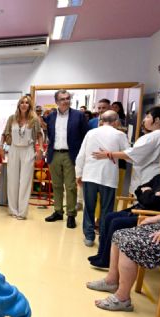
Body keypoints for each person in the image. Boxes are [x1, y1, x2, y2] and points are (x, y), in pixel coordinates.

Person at [86, 195, 160, 311]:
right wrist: (158, 218)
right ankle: (111, 281)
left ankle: (122, 298)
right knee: (119, 234)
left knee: (130, 244)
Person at [88, 155, 160, 268]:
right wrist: (151, 195)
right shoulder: (159, 178)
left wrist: (148, 193)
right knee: (109, 216)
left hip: (154, 217)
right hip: (141, 210)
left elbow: (152, 202)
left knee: (117, 222)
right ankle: (102, 255)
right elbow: (139, 189)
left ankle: (107, 261)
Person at [92, 106, 160, 193]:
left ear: (157, 120)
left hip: (150, 177)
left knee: (145, 202)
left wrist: (109, 154)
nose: (144, 120)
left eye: (148, 117)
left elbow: (133, 154)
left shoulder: (153, 137)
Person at [75, 111, 129, 247]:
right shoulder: (120, 135)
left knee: (89, 208)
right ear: (116, 121)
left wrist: (78, 174)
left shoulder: (91, 133)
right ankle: (103, 238)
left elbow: (81, 155)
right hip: (108, 177)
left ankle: (88, 236)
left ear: (100, 120)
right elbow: (128, 154)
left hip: (90, 175)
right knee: (107, 209)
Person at [45, 89, 90, 228]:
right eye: (62, 99)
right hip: (54, 154)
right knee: (56, 185)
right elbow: (50, 135)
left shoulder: (78, 116)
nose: (66, 101)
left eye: (67, 98)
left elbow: (85, 136)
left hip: (71, 154)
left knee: (70, 186)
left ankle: (71, 215)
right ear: (56, 102)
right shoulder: (51, 116)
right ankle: (58, 211)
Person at [0, 95, 44, 219]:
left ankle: (22, 212)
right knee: (12, 180)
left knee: (25, 181)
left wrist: (40, 149)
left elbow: (39, 135)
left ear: (29, 106)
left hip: (28, 150)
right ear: (19, 105)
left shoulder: (34, 120)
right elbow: (4, 133)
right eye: (22, 102)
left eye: (26, 103)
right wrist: (0, 146)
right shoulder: (12, 119)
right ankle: (13, 210)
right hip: (13, 150)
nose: (24, 104)